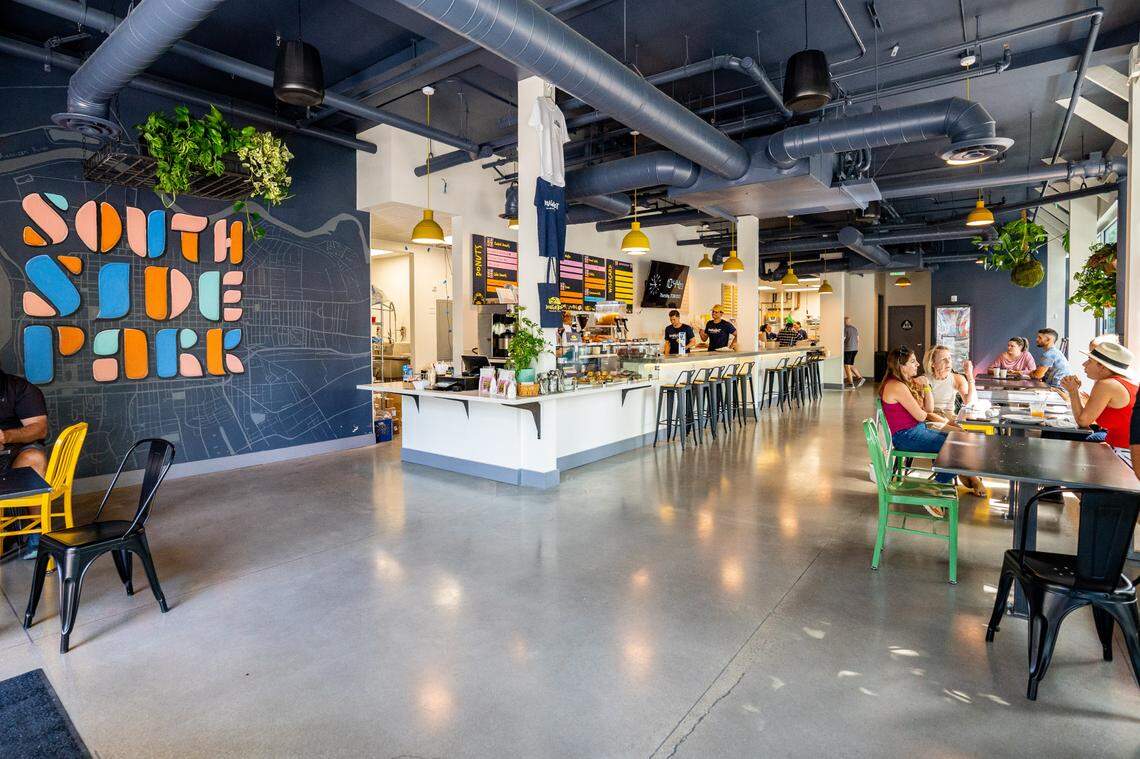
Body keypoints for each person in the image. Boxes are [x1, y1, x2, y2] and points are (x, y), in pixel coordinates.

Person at [879, 347, 986, 505]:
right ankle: (937, 488)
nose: (917, 365)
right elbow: (922, 415)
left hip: (915, 431)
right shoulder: (897, 386)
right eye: (913, 362)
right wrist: (924, 395)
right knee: (959, 446)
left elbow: (927, 409)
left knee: (961, 440)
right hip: (908, 437)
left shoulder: (903, 383)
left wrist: (926, 387)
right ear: (901, 366)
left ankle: (939, 485)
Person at [0, 364, 50, 559]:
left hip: (16, 453)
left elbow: (39, 428)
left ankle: (36, 533)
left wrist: (5, 436)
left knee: (35, 458)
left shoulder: (21, 388)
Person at [1059, 340, 1136, 463]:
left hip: (1125, 454)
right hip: (1123, 448)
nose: (1084, 364)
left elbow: (1083, 421)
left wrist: (1073, 391)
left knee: (1060, 448)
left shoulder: (1106, 384)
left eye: (1089, 360)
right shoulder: (1124, 382)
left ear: (1102, 366)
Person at [923, 345, 976, 416]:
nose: (948, 362)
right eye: (943, 359)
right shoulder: (924, 379)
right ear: (932, 363)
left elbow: (969, 402)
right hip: (932, 418)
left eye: (949, 358)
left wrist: (969, 375)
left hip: (950, 418)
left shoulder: (957, 378)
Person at [843, 317, 865, 389]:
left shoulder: (845, 329)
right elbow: (858, 339)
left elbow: (842, 339)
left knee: (846, 366)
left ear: (844, 321)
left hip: (848, 349)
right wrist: (856, 347)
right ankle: (860, 378)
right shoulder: (855, 329)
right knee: (851, 365)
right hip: (855, 349)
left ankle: (850, 384)